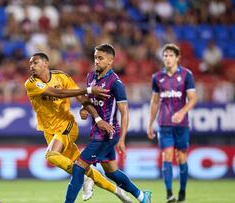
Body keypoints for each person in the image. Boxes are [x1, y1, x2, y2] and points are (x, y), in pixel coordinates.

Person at [25, 52, 132, 202]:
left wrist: (97, 117)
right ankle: (118, 192)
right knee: (84, 167)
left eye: (35, 63)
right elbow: (58, 93)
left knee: (51, 156)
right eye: (30, 64)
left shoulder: (61, 77)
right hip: (49, 131)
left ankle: (81, 176)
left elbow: (81, 98)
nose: (31, 67)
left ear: (45, 64)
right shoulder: (31, 83)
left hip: (66, 126)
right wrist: (88, 90)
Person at [64, 44, 152, 203]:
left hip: (107, 134)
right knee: (111, 172)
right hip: (97, 131)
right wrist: (85, 110)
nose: (96, 61)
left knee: (79, 167)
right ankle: (142, 196)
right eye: (95, 58)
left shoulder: (115, 83)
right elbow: (90, 102)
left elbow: (124, 112)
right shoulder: (91, 76)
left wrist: (123, 139)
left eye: (100, 58)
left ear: (111, 61)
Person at [147, 43, 197, 203]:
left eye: (171, 55)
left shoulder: (187, 75)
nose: (168, 58)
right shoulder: (157, 77)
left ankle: (182, 190)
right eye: (165, 55)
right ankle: (169, 193)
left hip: (182, 125)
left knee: (181, 156)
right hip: (164, 123)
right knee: (167, 156)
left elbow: (193, 98)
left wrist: (182, 113)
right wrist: (150, 124)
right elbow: (154, 102)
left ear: (177, 58)